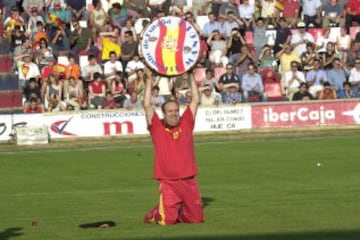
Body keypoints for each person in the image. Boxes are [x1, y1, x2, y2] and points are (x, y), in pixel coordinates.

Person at [143, 68, 204, 225]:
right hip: (169, 182)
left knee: (196, 220)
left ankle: (180, 209)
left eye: (176, 110)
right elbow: (147, 104)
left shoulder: (186, 122)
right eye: (170, 111)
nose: (174, 113)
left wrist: (190, 76)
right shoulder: (157, 127)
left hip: (189, 180)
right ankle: (155, 213)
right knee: (167, 221)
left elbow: (196, 100)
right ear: (163, 114)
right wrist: (149, 79)